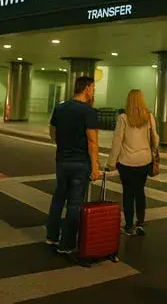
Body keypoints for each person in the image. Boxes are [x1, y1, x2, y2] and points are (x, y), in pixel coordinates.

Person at [46, 76, 101, 255]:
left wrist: (63, 143)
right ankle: (67, 243)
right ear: (86, 89)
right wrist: (95, 167)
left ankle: (51, 236)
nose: (93, 92)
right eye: (92, 88)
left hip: (62, 160)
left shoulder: (60, 108)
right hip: (80, 162)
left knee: (58, 198)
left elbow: (52, 131)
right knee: (75, 204)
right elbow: (93, 142)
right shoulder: (88, 111)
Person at [107, 89, 160, 236]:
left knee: (128, 193)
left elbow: (117, 141)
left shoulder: (123, 118)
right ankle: (140, 222)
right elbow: (155, 140)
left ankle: (129, 225)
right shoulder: (149, 117)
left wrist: (111, 162)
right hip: (144, 160)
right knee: (140, 191)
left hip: (126, 162)